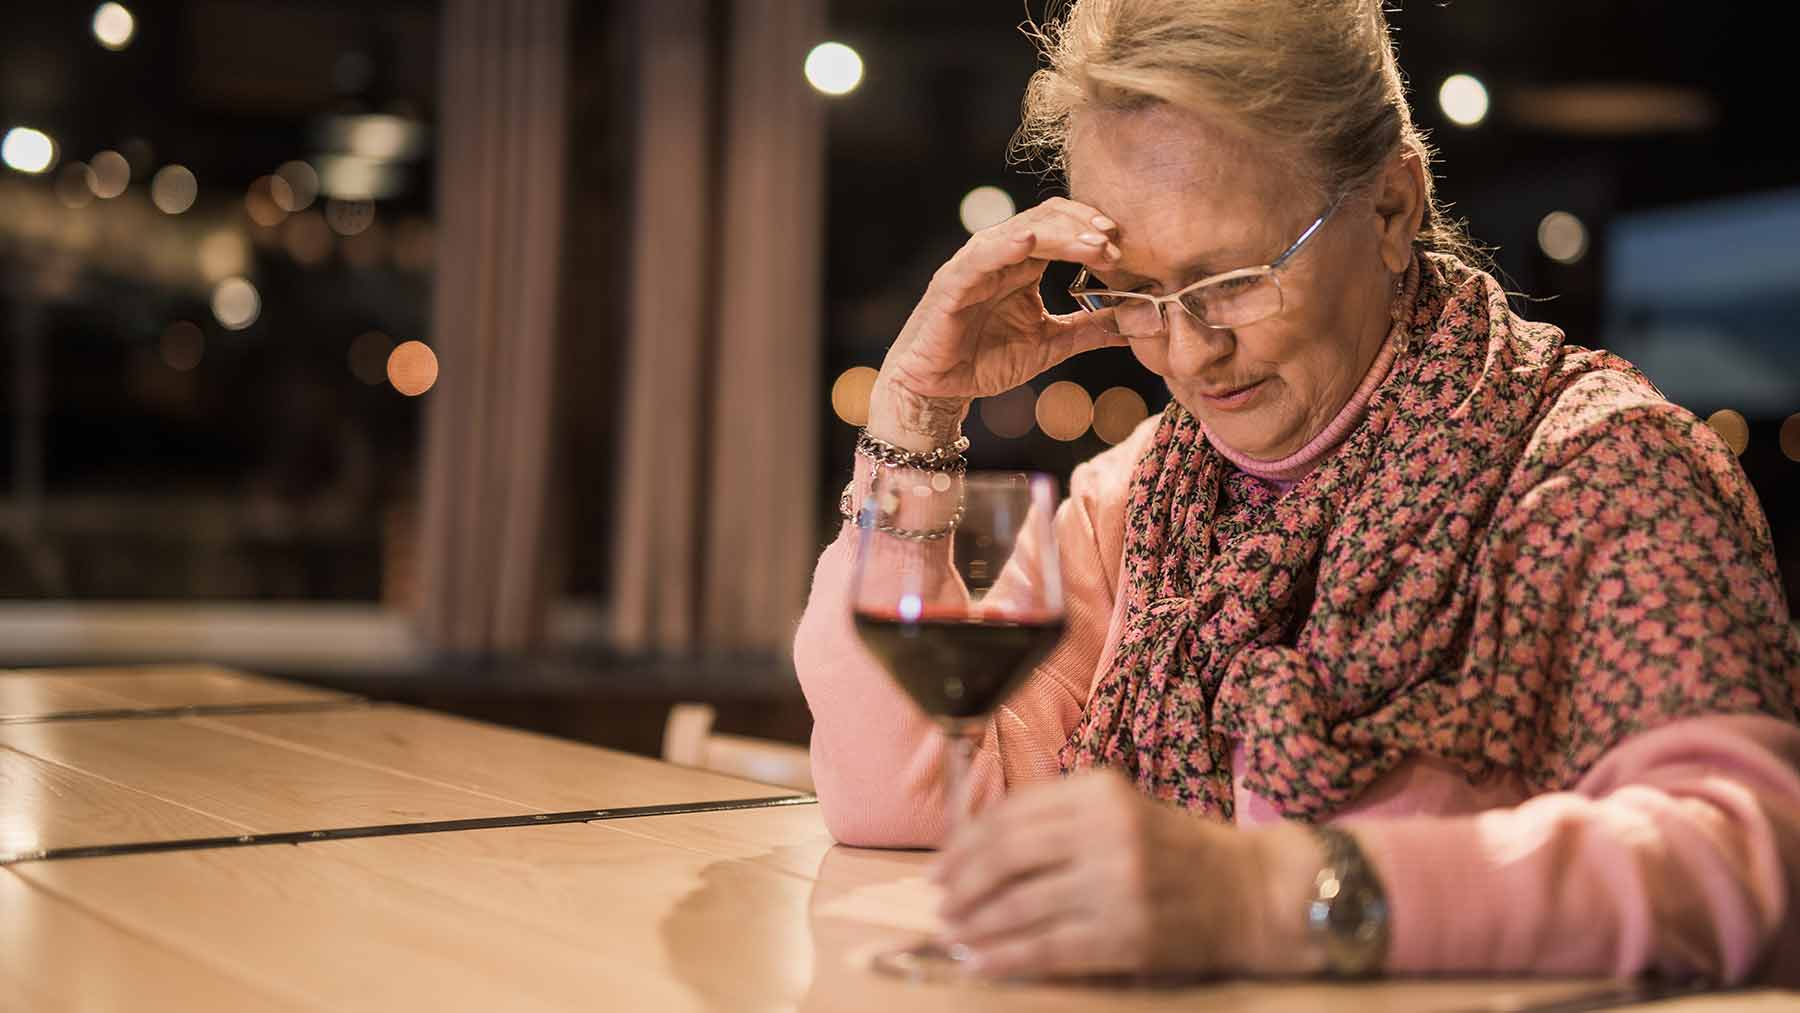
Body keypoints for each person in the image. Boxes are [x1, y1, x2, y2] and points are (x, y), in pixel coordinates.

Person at [793, 0, 1800, 985]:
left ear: (1393, 209)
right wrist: (913, 413)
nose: (1187, 352)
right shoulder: (1137, 497)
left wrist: (1268, 894)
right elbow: (906, 799)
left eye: (1231, 278)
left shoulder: (1596, 473)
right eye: (1136, 294)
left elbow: (1745, 859)